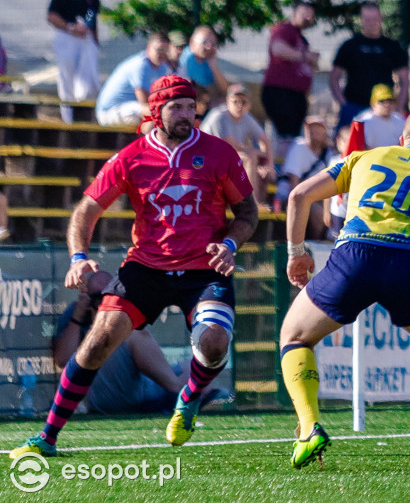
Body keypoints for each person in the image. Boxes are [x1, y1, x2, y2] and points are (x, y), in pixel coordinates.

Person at [9, 74, 258, 459]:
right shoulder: (131, 157)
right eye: (176, 107)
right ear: (156, 111)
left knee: (213, 343)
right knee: (97, 342)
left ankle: (187, 398)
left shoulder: (219, 153)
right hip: (145, 267)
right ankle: (47, 438)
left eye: (191, 107)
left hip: (204, 268)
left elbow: (247, 212)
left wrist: (229, 243)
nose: (186, 115)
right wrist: (78, 257)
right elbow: (86, 211)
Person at [279, 109, 410, 470]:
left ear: (401, 139)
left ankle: (309, 429)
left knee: (294, 338)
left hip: (353, 256)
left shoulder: (363, 157)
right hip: (405, 263)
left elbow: (298, 196)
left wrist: (297, 255)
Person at [52, 270, 226, 414]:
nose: (101, 302)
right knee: (132, 335)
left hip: (138, 383)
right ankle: (179, 393)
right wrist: (77, 317)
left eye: (105, 295)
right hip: (116, 400)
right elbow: (62, 360)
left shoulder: (120, 308)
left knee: (194, 367)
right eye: (96, 296)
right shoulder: (76, 315)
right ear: (86, 296)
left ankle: (186, 391)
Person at [328, 2, 409, 129]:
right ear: (361, 20)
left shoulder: (392, 47)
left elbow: (404, 80)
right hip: (353, 107)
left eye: (374, 19)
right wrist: (344, 104)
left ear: (381, 19)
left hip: (384, 109)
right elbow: (334, 77)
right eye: (367, 19)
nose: (371, 23)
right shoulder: (349, 46)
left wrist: (398, 107)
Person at [47, 0, 101, 123]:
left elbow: (92, 14)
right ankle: (68, 118)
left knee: (90, 81)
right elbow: (52, 15)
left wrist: (94, 37)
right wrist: (70, 27)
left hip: (86, 38)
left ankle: (86, 116)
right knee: (67, 78)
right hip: (68, 37)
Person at [200, 84, 276, 207]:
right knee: (249, 158)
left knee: (263, 169)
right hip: (204, 162)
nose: (239, 105)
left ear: (249, 104)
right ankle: (252, 204)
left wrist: (269, 165)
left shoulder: (246, 117)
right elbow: (227, 147)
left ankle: (257, 205)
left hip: (225, 160)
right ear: (227, 102)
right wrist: (256, 153)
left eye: (243, 101)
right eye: (235, 101)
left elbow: (265, 140)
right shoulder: (219, 116)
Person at [262, 2, 319, 160]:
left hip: (296, 95)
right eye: (304, 13)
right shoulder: (284, 29)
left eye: (311, 14)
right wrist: (305, 56)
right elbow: (278, 49)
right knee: (285, 139)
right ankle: (283, 176)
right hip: (280, 92)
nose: (308, 17)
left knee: (294, 138)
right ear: (294, 12)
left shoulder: (301, 38)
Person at [95, 32, 171, 127]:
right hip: (109, 112)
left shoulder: (162, 67)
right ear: (148, 47)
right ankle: (147, 142)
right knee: (151, 112)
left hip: (130, 108)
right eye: (159, 49)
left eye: (165, 50)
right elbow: (144, 101)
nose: (162, 54)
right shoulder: (141, 65)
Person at [276, 115, 332, 237]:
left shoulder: (328, 153)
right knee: (317, 213)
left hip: (315, 197)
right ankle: (315, 246)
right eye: (310, 129)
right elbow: (294, 186)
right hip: (291, 196)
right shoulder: (299, 147)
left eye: (318, 129)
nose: (314, 132)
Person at [344, 84, 406, 154]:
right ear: (373, 103)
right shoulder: (361, 122)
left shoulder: (401, 120)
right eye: (382, 101)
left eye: (390, 100)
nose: (387, 104)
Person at [181, 26, 230, 107]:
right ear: (192, 42)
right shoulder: (186, 58)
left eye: (212, 43)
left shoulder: (208, 59)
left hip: (203, 102)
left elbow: (226, 90)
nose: (209, 46)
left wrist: (213, 65)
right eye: (204, 42)